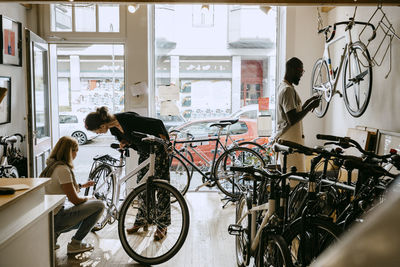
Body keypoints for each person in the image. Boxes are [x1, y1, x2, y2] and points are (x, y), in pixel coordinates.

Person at [84, 106, 170, 241]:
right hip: (145, 152)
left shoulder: (128, 119)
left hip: (159, 150)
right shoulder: (113, 128)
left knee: (161, 188)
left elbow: (157, 123)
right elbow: (128, 138)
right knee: (142, 187)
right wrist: (124, 142)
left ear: (102, 124)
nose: (99, 133)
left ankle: (162, 225)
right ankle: (142, 219)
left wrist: (165, 140)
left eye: (98, 130)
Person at [41, 136, 105, 254]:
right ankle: (75, 244)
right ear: (70, 152)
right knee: (99, 206)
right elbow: (75, 200)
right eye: (76, 151)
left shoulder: (51, 166)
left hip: (47, 218)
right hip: (56, 219)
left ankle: (52, 237)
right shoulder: (63, 169)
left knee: (75, 207)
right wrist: (88, 198)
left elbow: (61, 188)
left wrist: (82, 186)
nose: (76, 154)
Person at [275, 57, 320, 175]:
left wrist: (308, 103)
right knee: (295, 180)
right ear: (290, 69)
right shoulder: (287, 90)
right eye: (300, 71)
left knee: (292, 179)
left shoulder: (284, 86)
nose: (301, 75)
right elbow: (292, 119)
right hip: (290, 142)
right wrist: (310, 107)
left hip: (289, 140)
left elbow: (295, 111)